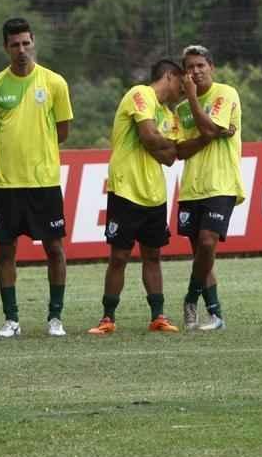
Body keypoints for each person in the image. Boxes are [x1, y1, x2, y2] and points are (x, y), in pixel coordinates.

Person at [0, 18, 73, 338]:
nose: (21, 50)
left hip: (44, 181)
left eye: (26, 43)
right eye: (15, 45)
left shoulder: (55, 83)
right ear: (6, 47)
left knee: (54, 249)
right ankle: (12, 319)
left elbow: (62, 132)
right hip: (6, 183)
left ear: (33, 42)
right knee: (5, 251)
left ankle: (55, 318)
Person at [88, 60, 185, 336]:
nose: (184, 89)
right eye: (182, 82)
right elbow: (149, 137)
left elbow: (169, 158)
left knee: (153, 256)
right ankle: (107, 317)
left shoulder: (170, 116)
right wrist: (158, 141)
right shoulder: (140, 94)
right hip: (125, 189)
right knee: (119, 256)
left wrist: (157, 141)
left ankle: (158, 316)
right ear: (169, 76)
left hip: (154, 194)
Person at [174, 44, 243, 332]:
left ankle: (190, 299)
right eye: (190, 67)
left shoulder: (225, 93)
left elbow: (209, 129)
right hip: (192, 186)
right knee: (202, 255)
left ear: (211, 67)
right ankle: (215, 315)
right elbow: (180, 150)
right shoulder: (180, 110)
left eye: (201, 65)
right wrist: (208, 134)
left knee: (206, 243)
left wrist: (192, 98)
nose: (196, 71)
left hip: (221, 183)